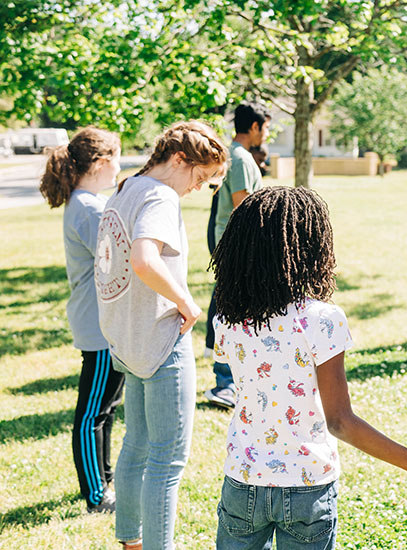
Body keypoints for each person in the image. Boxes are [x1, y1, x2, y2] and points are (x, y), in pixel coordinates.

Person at [210, 187, 407, 549]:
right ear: (312, 248)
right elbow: (340, 421)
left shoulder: (229, 318)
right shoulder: (321, 319)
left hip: (242, 479)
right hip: (307, 486)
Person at [94, 121, 229, 550]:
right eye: (201, 177)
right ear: (178, 160)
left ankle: (131, 541)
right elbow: (143, 259)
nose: (197, 188)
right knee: (168, 460)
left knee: (135, 445)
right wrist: (187, 303)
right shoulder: (160, 196)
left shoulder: (126, 188)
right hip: (160, 340)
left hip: (126, 339)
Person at [39, 127, 125, 514]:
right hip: (100, 329)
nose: (120, 167)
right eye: (118, 159)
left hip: (104, 326)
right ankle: (96, 494)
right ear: (103, 162)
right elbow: (116, 260)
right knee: (92, 414)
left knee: (103, 409)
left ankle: (104, 482)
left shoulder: (90, 202)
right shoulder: (89, 208)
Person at [205, 101, 271, 409]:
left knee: (231, 308)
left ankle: (232, 380)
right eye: (265, 127)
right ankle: (226, 384)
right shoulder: (243, 158)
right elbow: (244, 205)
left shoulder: (234, 153)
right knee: (233, 312)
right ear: (254, 127)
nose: (266, 134)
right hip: (236, 245)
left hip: (228, 243)